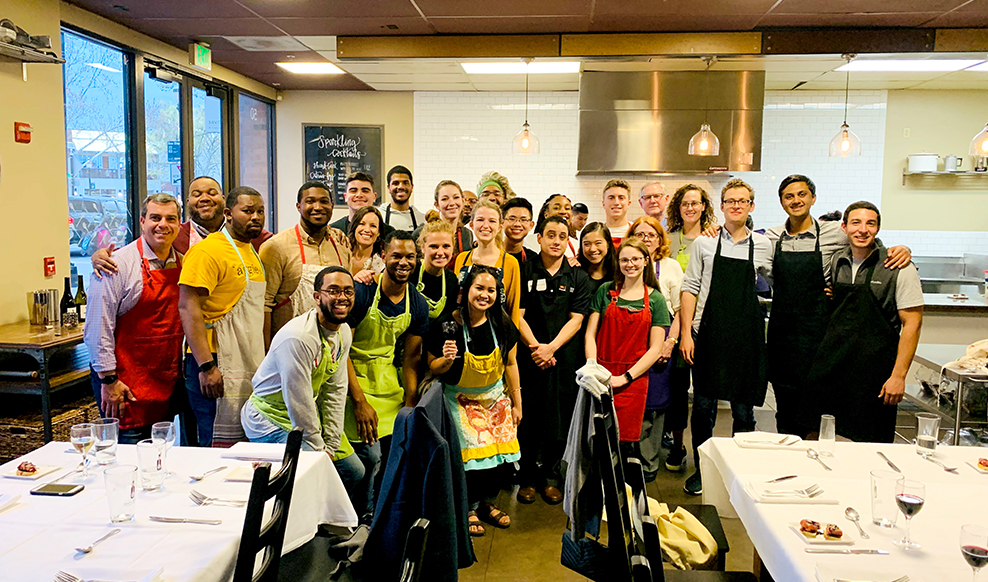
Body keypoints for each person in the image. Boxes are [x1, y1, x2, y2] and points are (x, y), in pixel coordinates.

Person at [764, 175, 912, 437]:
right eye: (789, 196)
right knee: (785, 410)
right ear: (781, 202)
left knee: (815, 413)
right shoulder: (771, 237)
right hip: (782, 339)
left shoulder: (834, 232)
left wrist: (901, 249)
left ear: (813, 199)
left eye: (802, 194)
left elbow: (866, 242)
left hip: (820, 340)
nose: (796, 200)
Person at [680, 179, 772, 496]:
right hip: (707, 335)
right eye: (730, 201)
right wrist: (685, 334)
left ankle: (739, 471)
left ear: (751, 206)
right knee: (703, 409)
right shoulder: (704, 244)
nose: (736, 205)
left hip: (745, 339)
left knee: (743, 412)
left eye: (742, 201)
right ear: (721, 207)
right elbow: (689, 287)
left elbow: (778, 284)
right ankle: (703, 470)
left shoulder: (763, 246)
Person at [241, 266, 364, 501]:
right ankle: (299, 531)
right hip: (270, 418)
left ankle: (328, 527)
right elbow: (299, 400)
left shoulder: (343, 332)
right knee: (309, 475)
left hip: (302, 417)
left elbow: (335, 390)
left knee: (353, 472)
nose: (342, 298)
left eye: (348, 292)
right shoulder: (298, 337)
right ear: (317, 297)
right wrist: (319, 451)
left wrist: (331, 443)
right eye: (333, 291)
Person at [806, 202, 923, 443]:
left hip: (874, 373)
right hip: (834, 366)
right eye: (856, 223)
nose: (862, 230)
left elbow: (912, 323)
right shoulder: (837, 261)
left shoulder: (898, 266)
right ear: (844, 227)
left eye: (870, 223)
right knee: (817, 436)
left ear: (878, 228)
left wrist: (899, 376)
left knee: (870, 443)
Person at [427, 266, 522, 537]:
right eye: (479, 288)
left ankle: (487, 503)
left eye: (491, 290)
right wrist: (446, 359)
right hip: (459, 399)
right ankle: (468, 507)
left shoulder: (502, 324)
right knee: (469, 457)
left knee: (495, 457)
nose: (485, 295)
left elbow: (511, 363)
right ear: (466, 289)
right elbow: (432, 367)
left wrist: (517, 403)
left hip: (494, 398)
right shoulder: (447, 324)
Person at [344, 230, 430, 523]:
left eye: (410, 257)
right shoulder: (364, 293)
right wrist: (358, 401)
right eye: (396, 256)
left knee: (393, 458)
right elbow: (341, 352)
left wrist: (410, 405)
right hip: (353, 382)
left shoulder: (417, 305)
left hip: (389, 386)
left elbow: (410, 359)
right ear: (383, 256)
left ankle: (381, 519)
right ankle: (358, 518)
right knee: (369, 458)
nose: (403, 262)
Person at [84, 194, 184, 443]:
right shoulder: (114, 266)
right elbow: (97, 330)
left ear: (179, 224)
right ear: (142, 221)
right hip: (125, 384)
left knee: (162, 456)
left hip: (165, 380)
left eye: (171, 218)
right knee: (129, 458)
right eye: (155, 218)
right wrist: (109, 380)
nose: (163, 225)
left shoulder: (183, 262)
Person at [178, 186, 267, 447]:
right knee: (213, 447)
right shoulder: (207, 251)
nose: (256, 217)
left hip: (246, 360)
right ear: (228, 213)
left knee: (242, 446)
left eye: (260, 211)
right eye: (248, 211)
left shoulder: (251, 250)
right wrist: (206, 367)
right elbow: (188, 308)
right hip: (214, 361)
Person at [516, 216, 591, 505]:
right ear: (539, 237)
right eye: (550, 235)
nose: (556, 240)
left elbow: (577, 319)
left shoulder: (577, 277)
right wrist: (536, 347)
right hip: (529, 357)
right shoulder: (524, 270)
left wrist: (552, 348)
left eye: (562, 236)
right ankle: (526, 479)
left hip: (562, 359)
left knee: (558, 419)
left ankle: (550, 477)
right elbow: (517, 315)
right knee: (528, 417)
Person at [90, 176, 272, 278]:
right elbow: (138, 251)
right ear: (188, 202)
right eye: (197, 194)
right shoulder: (173, 234)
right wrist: (102, 256)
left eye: (212, 193)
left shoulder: (251, 236)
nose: (204, 198)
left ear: (224, 201)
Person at [586, 239, 669, 452]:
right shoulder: (605, 291)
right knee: (597, 441)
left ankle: (625, 485)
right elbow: (590, 334)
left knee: (625, 443)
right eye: (624, 259)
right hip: (600, 378)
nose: (629, 264)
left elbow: (655, 349)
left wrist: (626, 377)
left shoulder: (656, 300)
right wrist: (593, 369)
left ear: (646, 261)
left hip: (634, 381)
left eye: (635, 259)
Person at [260, 180, 350, 347]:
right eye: (310, 201)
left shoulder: (342, 246)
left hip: (331, 347)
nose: (318, 207)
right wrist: (266, 352)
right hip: (289, 347)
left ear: (332, 205)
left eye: (324, 201)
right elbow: (264, 305)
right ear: (298, 206)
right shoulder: (276, 247)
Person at [628, 216, 685, 480]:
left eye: (651, 235)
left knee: (654, 405)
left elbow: (679, 311)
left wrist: (669, 342)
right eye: (640, 235)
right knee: (631, 401)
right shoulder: (627, 265)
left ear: (660, 239)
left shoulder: (671, 267)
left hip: (663, 340)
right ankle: (629, 460)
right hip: (631, 341)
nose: (646, 240)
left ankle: (648, 463)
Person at [453, 200, 523, 326]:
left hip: (497, 336)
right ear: (472, 225)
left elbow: (513, 310)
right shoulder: (461, 259)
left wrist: (511, 345)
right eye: (480, 220)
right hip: (463, 335)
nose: (485, 225)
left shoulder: (510, 263)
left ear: (500, 226)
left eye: (492, 221)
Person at [413, 180, 474, 263]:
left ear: (463, 201)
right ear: (437, 205)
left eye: (456, 197)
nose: (452, 203)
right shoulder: (422, 232)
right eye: (445, 199)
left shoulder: (466, 234)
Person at [415, 220, 460, 323]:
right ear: (423, 247)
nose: (440, 252)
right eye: (434, 246)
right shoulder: (411, 272)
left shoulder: (451, 280)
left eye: (446, 246)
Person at [666, 184, 717, 273]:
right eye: (684, 204)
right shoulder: (669, 240)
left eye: (694, 203)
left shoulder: (712, 236)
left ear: (703, 206)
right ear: (679, 208)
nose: (689, 208)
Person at [330, 171, 395, 238]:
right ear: (345, 197)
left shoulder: (388, 233)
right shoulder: (333, 231)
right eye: (353, 190)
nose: (359, 195)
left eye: (365, 191)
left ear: (374, 197)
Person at [531, 194, 580, 259]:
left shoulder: (577, 245)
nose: (563, 211)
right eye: (556, 208)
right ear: (546, 214)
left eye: (567, 208)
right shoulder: (529, 242)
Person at [380, 165, 426, 231]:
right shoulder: (378, 217)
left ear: (412, 187)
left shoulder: (422, 220)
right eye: (396, 183)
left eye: (405, 183)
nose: (401, 187)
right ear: (388, 188)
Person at [578, 222, 617, 297]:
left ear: (608, 244)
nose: (592, 249)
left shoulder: (619, 271)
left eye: (598, 243)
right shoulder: (575, 272)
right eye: (587, 244)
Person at [348, 206, 386, 275]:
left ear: (378, 232)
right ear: (355, 227)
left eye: (373, 226)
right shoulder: (341, 254)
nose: (367, 230)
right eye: (362, 224)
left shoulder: (381, 266)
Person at [502, 197, 536, 266]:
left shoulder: (534, 260)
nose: (517, 224)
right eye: (512, 219)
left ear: (531, 225)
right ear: (502, 222)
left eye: (523, 220)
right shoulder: (490, 254)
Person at [602, 179, 633, 246]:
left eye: (621, 198)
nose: (616, 202)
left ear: (629, 203)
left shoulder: (637, 232)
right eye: (611, 198)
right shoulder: (597, 234)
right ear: (603, 204)